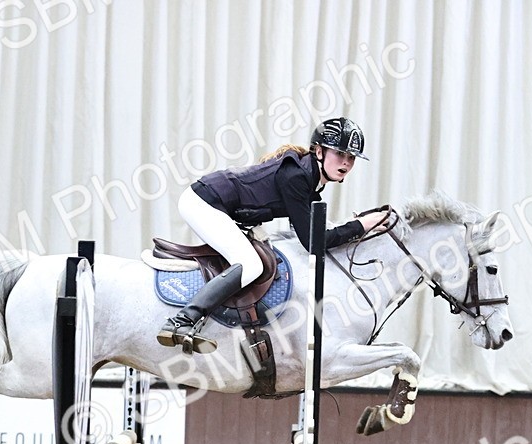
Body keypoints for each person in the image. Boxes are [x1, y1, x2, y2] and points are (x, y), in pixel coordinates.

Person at [157, 117, 390, 353]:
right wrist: (361, 225)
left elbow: (314, 232)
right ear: (319, 151)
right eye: (340, 154)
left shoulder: (308, 179)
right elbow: (314, 242)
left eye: (352, 157)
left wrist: (359, 225)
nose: (346, 162)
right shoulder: (296, 177)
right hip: (203, 202)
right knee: (250, 266)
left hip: (216, 203)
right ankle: (182, 321)